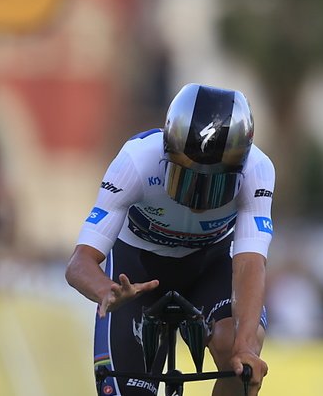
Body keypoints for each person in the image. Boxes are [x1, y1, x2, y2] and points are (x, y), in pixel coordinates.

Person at [66, 83, 275, 396]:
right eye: (186, 179)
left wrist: (246, 348)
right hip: (136, 278)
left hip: (209, 267)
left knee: (239, 358)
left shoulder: (258, 170)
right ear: (166, 154)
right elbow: (79, 263)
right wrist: (106, 291)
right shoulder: (136, 161)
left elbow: (250, 263)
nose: (198, 200)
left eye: (216, 185)